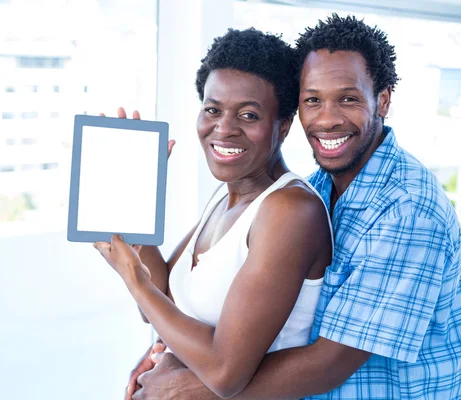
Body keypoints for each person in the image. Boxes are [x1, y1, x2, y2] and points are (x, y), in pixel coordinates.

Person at [131, 14, 461, 400]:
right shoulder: (321, 184)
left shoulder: (407, 211)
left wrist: (191, 383)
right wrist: (171, 360)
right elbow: (188, 306)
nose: (326, 119)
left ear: (383, 100)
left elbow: (328, 363)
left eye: (347, 98)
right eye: (313, 100)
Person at [93, 28, 333, 399]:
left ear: (282, 126)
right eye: (212, 109)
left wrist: (132, 278)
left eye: (249, 115)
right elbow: (162, 306)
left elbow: (225, 373)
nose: (223, 128)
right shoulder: (225, 198)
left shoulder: (291, 211)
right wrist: (136, 201)